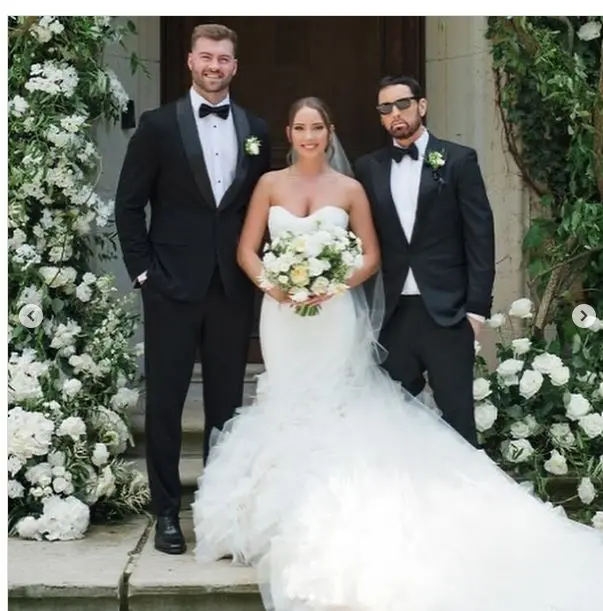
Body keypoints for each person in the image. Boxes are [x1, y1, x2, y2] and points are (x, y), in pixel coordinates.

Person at [192, 96, 603, 611]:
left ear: (329, 131)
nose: (308, 136)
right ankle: (268, 508)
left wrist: (334, 281)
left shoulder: (350, 187)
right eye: (299, 127)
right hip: (282, 317)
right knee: (287, 400)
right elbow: (246, 250)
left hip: (332, 314)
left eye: (317, 127)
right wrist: (274, 285)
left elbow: (370, 254)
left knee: (334, 403)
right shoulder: (269, 184)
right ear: (289, 133)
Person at [115, 23, 271, 555]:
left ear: (235, 66)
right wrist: (144, 274)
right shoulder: (158, 126)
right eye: (206, 57)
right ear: (190, 61)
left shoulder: (255, 129)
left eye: (223, 59)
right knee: (166, 403)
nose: (214, 66)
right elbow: (128, 205)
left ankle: (216, 510)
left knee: (226, 407)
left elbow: (257, 209)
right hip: (170, 288)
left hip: (231, 289)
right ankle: (166, 513)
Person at [354, 74, 495, 447]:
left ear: (422, 105)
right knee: (394, 427)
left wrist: (476, 312)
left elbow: (480, 237)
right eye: (386, 108)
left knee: (458, 424)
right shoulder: (367, 168)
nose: (395, 114)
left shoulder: (459, 160)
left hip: (448, 313)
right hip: (392, 314)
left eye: (402, 104)